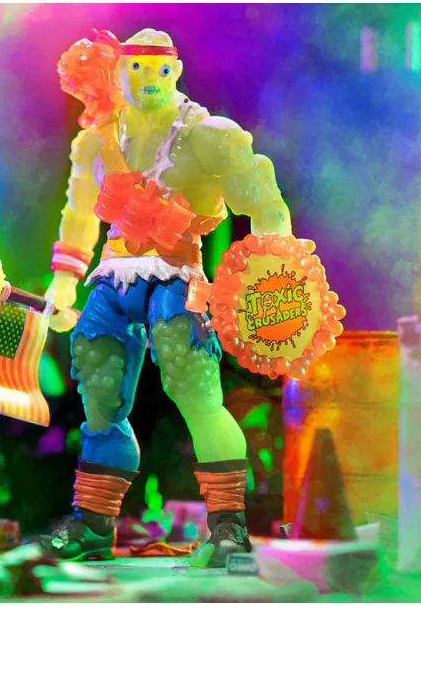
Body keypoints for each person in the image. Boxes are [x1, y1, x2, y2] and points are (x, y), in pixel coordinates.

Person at [41, 28, 292, 567]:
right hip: (112, 277)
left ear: (175, 71)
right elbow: (79, 213)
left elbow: (263, 201)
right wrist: (63, 280)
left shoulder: (207, 136)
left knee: (196, 390)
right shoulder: (97, 141)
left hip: (177, 277)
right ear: (119, 72)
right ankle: (92, 524)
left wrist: (274, 268)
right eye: (134, 68)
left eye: (158, 68)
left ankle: (228, 528)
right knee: (99, 392)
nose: (147, 78)